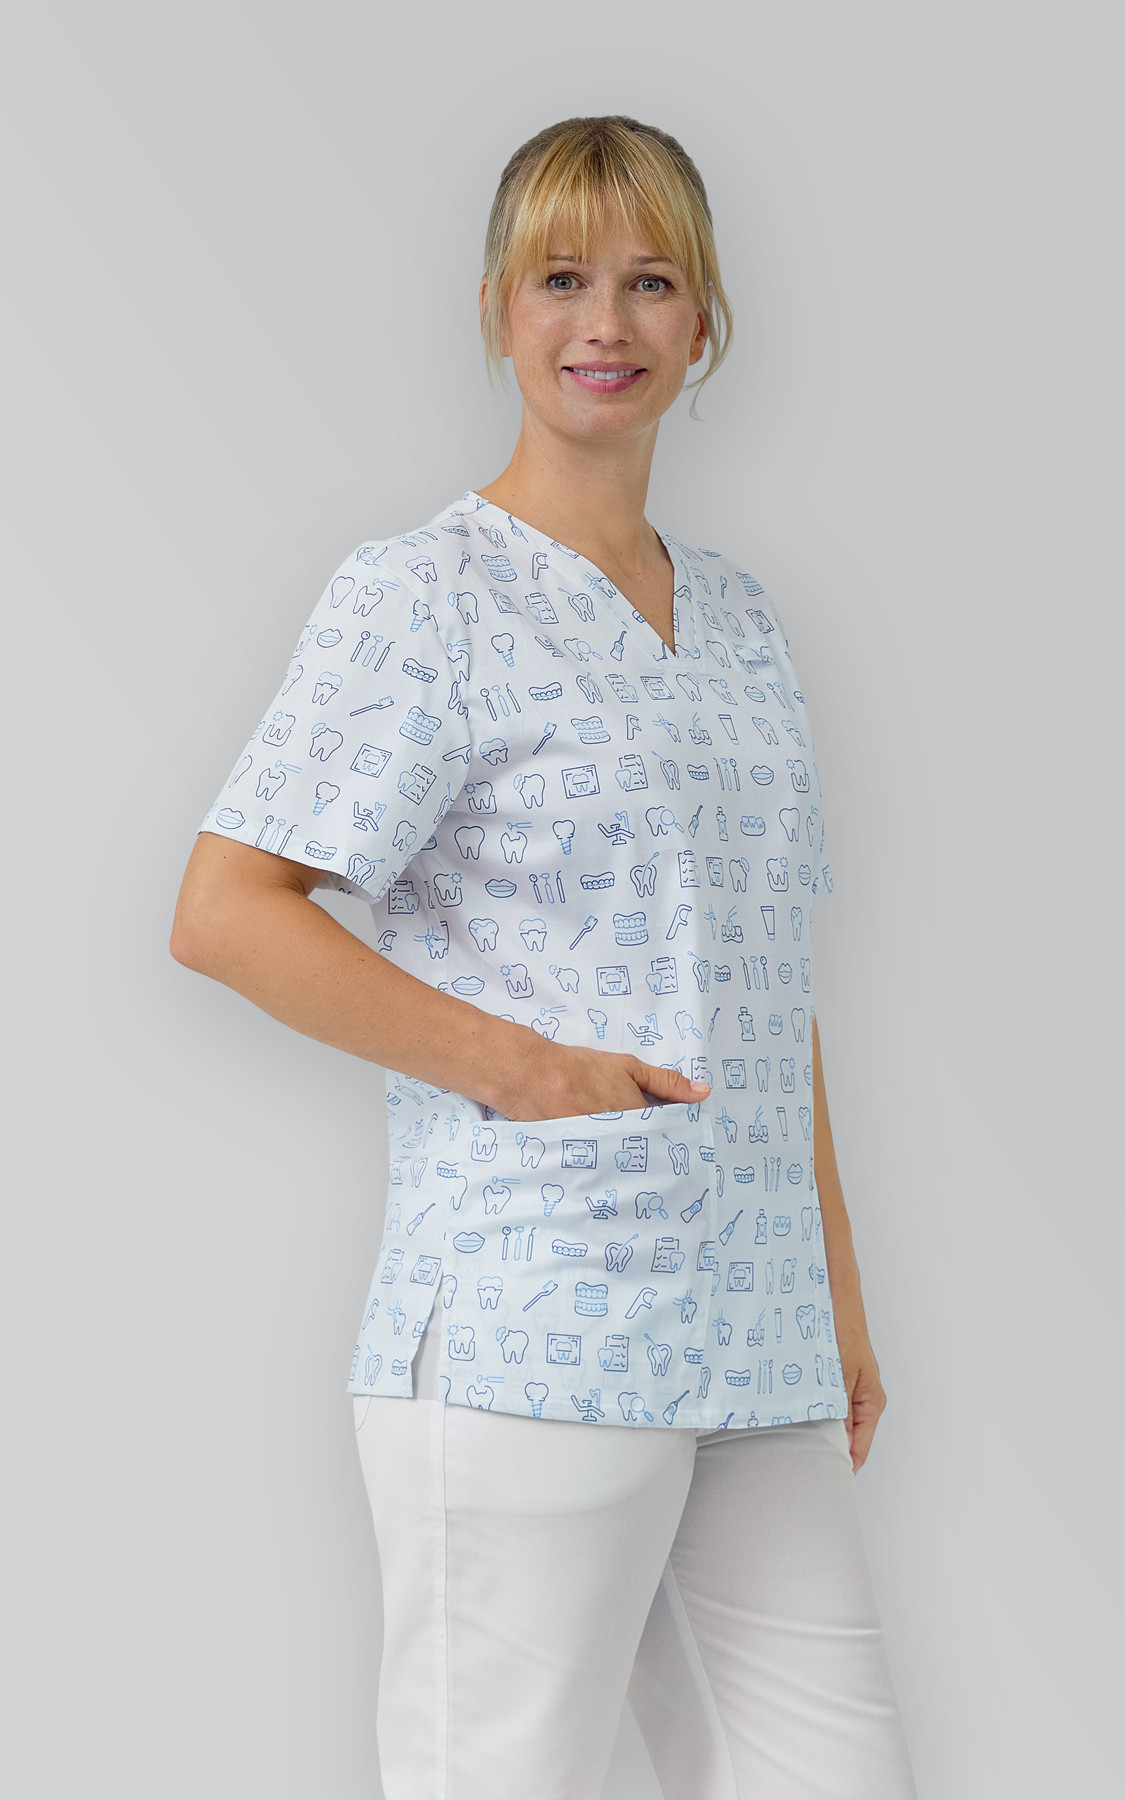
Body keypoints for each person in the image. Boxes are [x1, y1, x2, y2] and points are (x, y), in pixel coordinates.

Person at [172, 114, 917, 1800]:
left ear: (704, 321)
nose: (605, 323)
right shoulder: (422, 595)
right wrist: (528, 1074)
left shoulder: (740, 622)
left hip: (755, 1330)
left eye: (650, 283)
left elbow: (767, 978)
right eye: (561, 279)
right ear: (496, 310)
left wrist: (836, 1300)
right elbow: (226, 908)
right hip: (537, 1319)